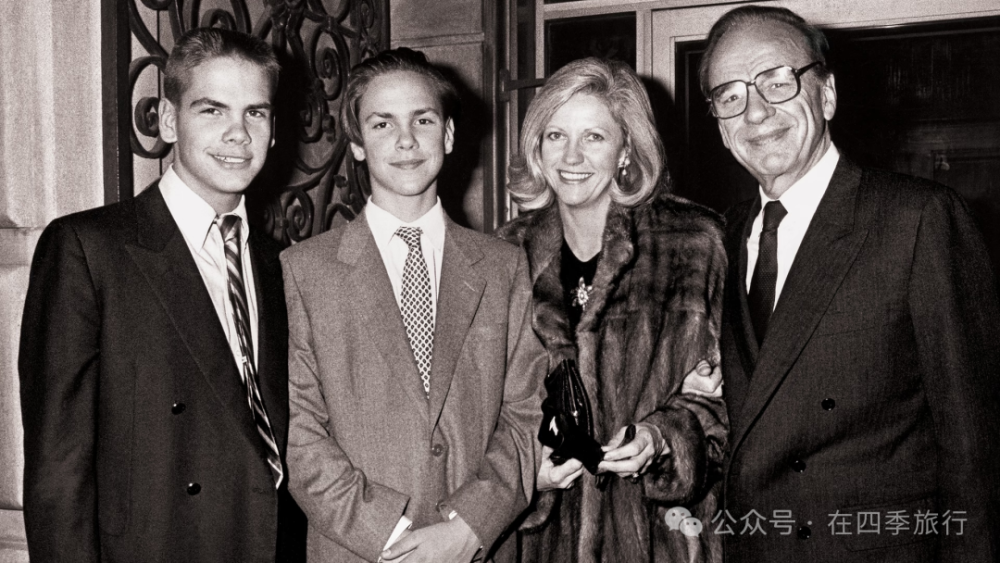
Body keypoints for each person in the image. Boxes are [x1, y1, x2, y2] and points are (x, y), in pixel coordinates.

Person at [699, 5, 1000, 562]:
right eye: (731, 96)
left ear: (827, 95)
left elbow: (976, 450)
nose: (756, 112)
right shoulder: (717, 238)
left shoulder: (917, 219)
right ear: (720, 126)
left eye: (777, 82)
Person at [18, 27, 305, 562]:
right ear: (169, 121)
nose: (238, 134)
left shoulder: (279, 261)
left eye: (255, 113)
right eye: (212, 110)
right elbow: (58, 468)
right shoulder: (89, 248)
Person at [279, 48, 547, 563]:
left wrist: (468, 527)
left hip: (477, 547)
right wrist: (388, 535)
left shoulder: (503, 266)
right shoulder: (304, 271)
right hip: (360, 550)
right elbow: (298, 430)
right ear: (357, 145)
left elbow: (526, 412)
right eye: (382, 124)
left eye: (423, 120)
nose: (405, 140)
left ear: (448, 135)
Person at [497, 57, 729, 563]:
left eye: (594, 137)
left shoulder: (694, 245)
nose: (571, 156)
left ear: (626, 147)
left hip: (659, 539)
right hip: (540, 541)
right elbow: (482, 409)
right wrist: (525, 468)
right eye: (556, 135)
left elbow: (730, 408)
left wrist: (662, 438)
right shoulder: (505, 255)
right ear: (536, 147)